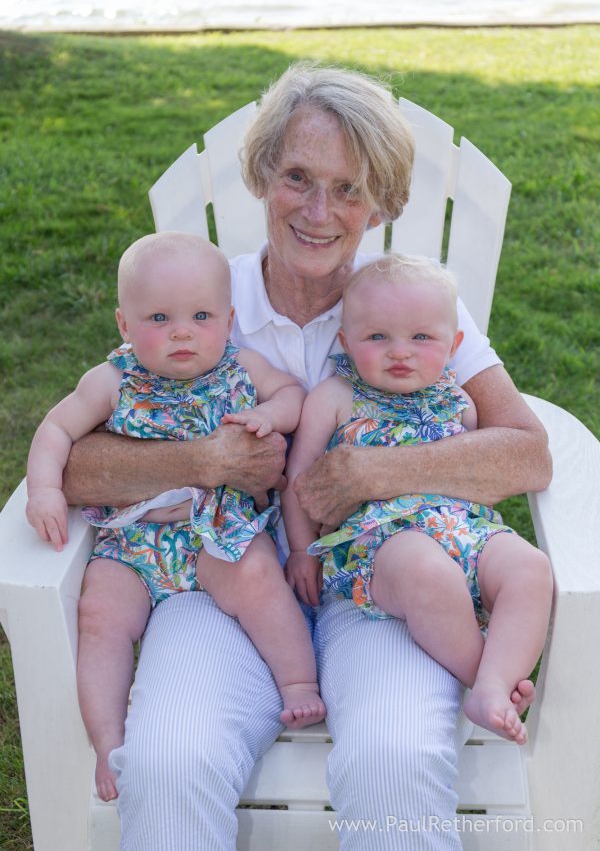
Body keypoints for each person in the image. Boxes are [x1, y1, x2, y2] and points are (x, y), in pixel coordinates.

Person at [62, 63, 552, 850]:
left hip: (384, 585)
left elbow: (527, 454)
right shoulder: (200, 299)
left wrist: (369, 474)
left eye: (348, 190)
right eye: (297, 177)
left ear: (382, 204)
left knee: (395, 760)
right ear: (262, 176)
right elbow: (78, 462)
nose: (319, 212)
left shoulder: (412, 308)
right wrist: (208, 459)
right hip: (218, 577)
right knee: (167, 762)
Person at [26, 232, 325, 803]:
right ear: (124, 324)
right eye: (159, 318)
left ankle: (298, 683)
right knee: (100, 617)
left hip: (219, 528)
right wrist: (43, 489)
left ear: (228, 320)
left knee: (258, 579)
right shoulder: (112, 381)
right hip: (135, 539)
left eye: (201, 316)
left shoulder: (241, 367)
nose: (182, 332)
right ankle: (108, 743)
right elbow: (56, 429)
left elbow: (292, 393)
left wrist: (269, 414)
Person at [283, 253, 553, 745]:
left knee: (530, 568)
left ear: (454, 346)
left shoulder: (461, 403)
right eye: (377, 337)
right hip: (384, 543)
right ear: (345, 342)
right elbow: (298, 479)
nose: (399, 352)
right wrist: (302, 550)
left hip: (465, 529)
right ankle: (483, 680)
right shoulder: (335, 398)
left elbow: (487, 469)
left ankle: (493, 682)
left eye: (421, 338)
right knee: (429, 573)